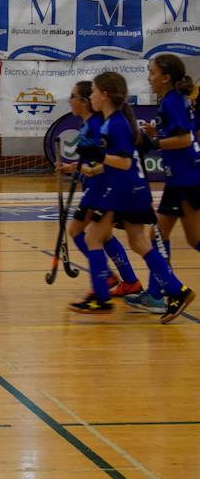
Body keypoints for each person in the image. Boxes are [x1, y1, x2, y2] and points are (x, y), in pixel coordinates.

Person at [72, 71, 194, 323]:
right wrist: (95, 163)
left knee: (94, 237)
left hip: (123, 189)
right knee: (139, 242)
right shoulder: (111, 121)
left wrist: (98, 155)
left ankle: (102, 298)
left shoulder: (115, 123)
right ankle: (177, 290)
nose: (91, 95)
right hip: (134, 190)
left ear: (104, 95)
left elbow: (125, 163)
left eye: (93, 91)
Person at [124, 55, 200, 313]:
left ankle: (158, 294)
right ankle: (156, 296)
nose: (149, 77)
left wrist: (154, 143)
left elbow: (185, 140)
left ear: (166, 77)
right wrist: (156, 136)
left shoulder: (172, 102)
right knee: (157, 235)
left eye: (152, 72)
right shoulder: (173, 100)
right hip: (178, 178)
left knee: (195, 239)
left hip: (188, 179)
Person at [57, 81, 142, 298]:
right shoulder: (88, 124)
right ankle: (128, 281)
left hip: (101, 187)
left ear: (84, 102)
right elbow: (90, 161)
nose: (69, 100)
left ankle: (105, 279)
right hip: (96, 185)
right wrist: (72, 169)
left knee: (82, 233)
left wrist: (88, 172)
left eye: (73, 96)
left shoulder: (96, 125)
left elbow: (104, 161)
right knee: (102, 236)